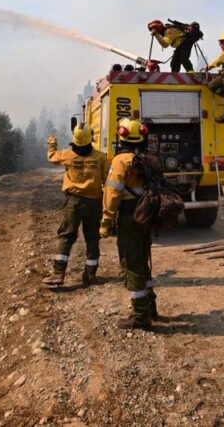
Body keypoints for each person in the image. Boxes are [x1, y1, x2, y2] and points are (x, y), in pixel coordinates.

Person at [100, 118, 157, 330]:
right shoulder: (148, 158)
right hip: (146, 215)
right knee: (142, 261)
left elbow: (112, 193)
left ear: (122, 136)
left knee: (131, 265)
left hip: (129, 217)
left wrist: (106, 220)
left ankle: (140, 317)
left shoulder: (120, 161)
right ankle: (151, 307)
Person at [42, 123, 110, 288]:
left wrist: (52, 143)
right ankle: (90, 274)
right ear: (91, 137)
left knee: (66, 236)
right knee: (92, 237)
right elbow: (107, 181)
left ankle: (58, 273)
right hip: (94, 202)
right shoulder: (101, 157)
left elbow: (52, 157)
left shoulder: (68, 155)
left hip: (74, 202)